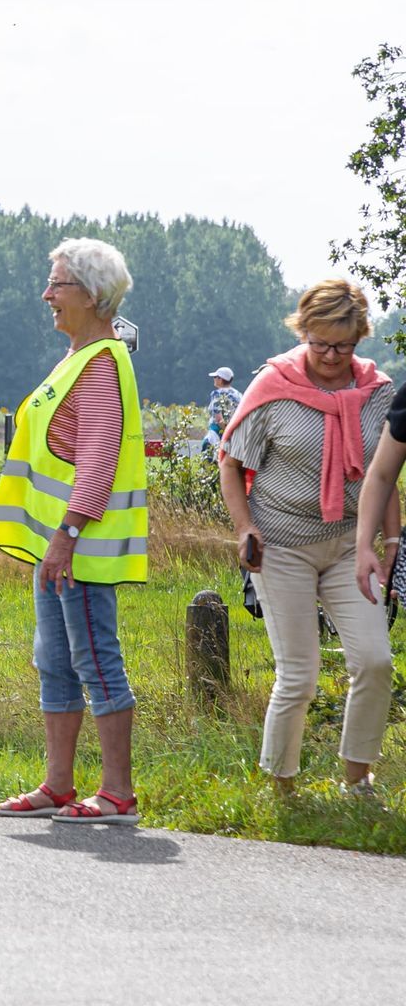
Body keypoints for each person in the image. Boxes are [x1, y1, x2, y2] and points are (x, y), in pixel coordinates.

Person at [0, 237, 146, 824]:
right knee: (53, 661)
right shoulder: (78, 356)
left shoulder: (101, 364)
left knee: (96, 661)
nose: (46, 294)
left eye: (57, 284)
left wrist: (67, 536)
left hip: (80, 549)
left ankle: (117, 793)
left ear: (93, 294)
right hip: (59, 548)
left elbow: (100, 459)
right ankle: (58, 785)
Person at [221, 279, 396, 798]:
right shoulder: (273, 385)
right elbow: (231, 464)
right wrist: (245, 528)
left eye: (343, 345)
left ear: (360, 337)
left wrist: (391, 544)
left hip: (349, 546)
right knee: (299, 674)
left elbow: (385, 475)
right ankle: (282, 788)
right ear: (303, 332)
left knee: (375, 661)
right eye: (320, 342)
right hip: (280, 546)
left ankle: (357, 780)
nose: (331, 355)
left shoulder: (378, 392)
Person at [203, 366, 245, 453]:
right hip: (236, 431)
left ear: (220, 379)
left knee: (208, 452)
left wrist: (226, 433)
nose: (214, 379)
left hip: (218, 431)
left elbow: (218, 418)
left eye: (215, 377)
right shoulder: (238, 394)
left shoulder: (217, 394)